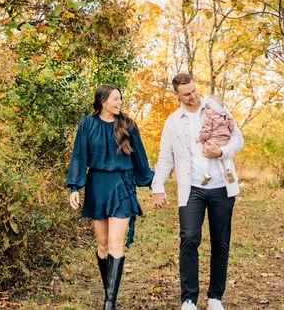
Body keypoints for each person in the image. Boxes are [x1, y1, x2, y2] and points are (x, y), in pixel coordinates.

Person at [151, 73, 244, 310]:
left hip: (221, 187)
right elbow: (165, 157)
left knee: (220, 242)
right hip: (191, 189)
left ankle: (215, 297)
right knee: (189, 239)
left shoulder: (215, 108)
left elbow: (238, 137)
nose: (193, 96)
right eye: (187, 94)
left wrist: (221, 152)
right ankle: (189, 299)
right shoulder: (173, 121)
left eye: (194, 91)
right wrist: (157, 187)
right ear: (177, 95)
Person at [66, 83, 154, 310]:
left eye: (120, 99)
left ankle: (109, 303)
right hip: (97, 186)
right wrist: (74, 187)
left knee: (115, 243)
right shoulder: (87, 124)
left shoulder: (128, 125)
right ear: (103, 101)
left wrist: (154, 183)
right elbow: (79, 155)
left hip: (121, 186)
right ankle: (109, 294)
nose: (119, 103)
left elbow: (140, 158)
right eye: (116, 99)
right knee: (103, 245)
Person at [196, 95, 236, 186]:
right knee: (225, 157)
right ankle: (228, 170)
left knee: (205, 157)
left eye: (208, 108)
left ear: (216, 109)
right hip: (224, 141)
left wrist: (200, 139)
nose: (205, 110)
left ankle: (206, 174)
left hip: (212, 142)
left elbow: (206, 132)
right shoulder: (225, 117)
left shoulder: (209, 118)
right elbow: (232, 127)